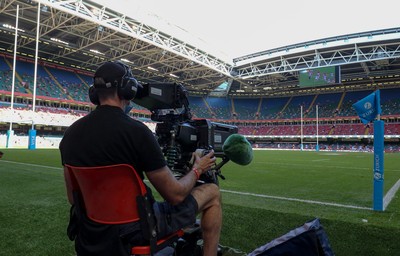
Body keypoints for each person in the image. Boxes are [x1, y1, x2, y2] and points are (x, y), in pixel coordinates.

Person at [59, 61, 222, 256]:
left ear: (94, 93)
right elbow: (176, 195)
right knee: (212, 192)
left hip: (90, 232)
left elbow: (72, 198)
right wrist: (198, 168)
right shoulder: (138, 132)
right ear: (128, 90)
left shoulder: (69, 135)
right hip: (137, 231)